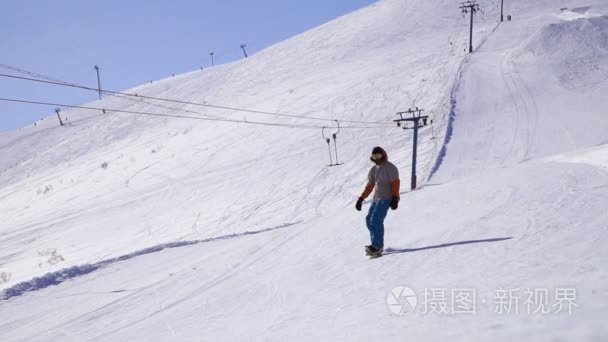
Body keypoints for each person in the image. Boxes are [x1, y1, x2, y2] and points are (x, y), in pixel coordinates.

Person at [356, 146, 400, 256]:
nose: (376, 158)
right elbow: (370, 185)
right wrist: (361, 199)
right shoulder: (374, 169)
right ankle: (374, 245)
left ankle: (378, 246)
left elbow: (395, 183)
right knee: (369, 220)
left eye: (378, 156)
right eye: (374, 156)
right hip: (376, 199)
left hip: (387, 198)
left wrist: (394, 198)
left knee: (376, 219)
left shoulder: (390, 168)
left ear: (383, 155)